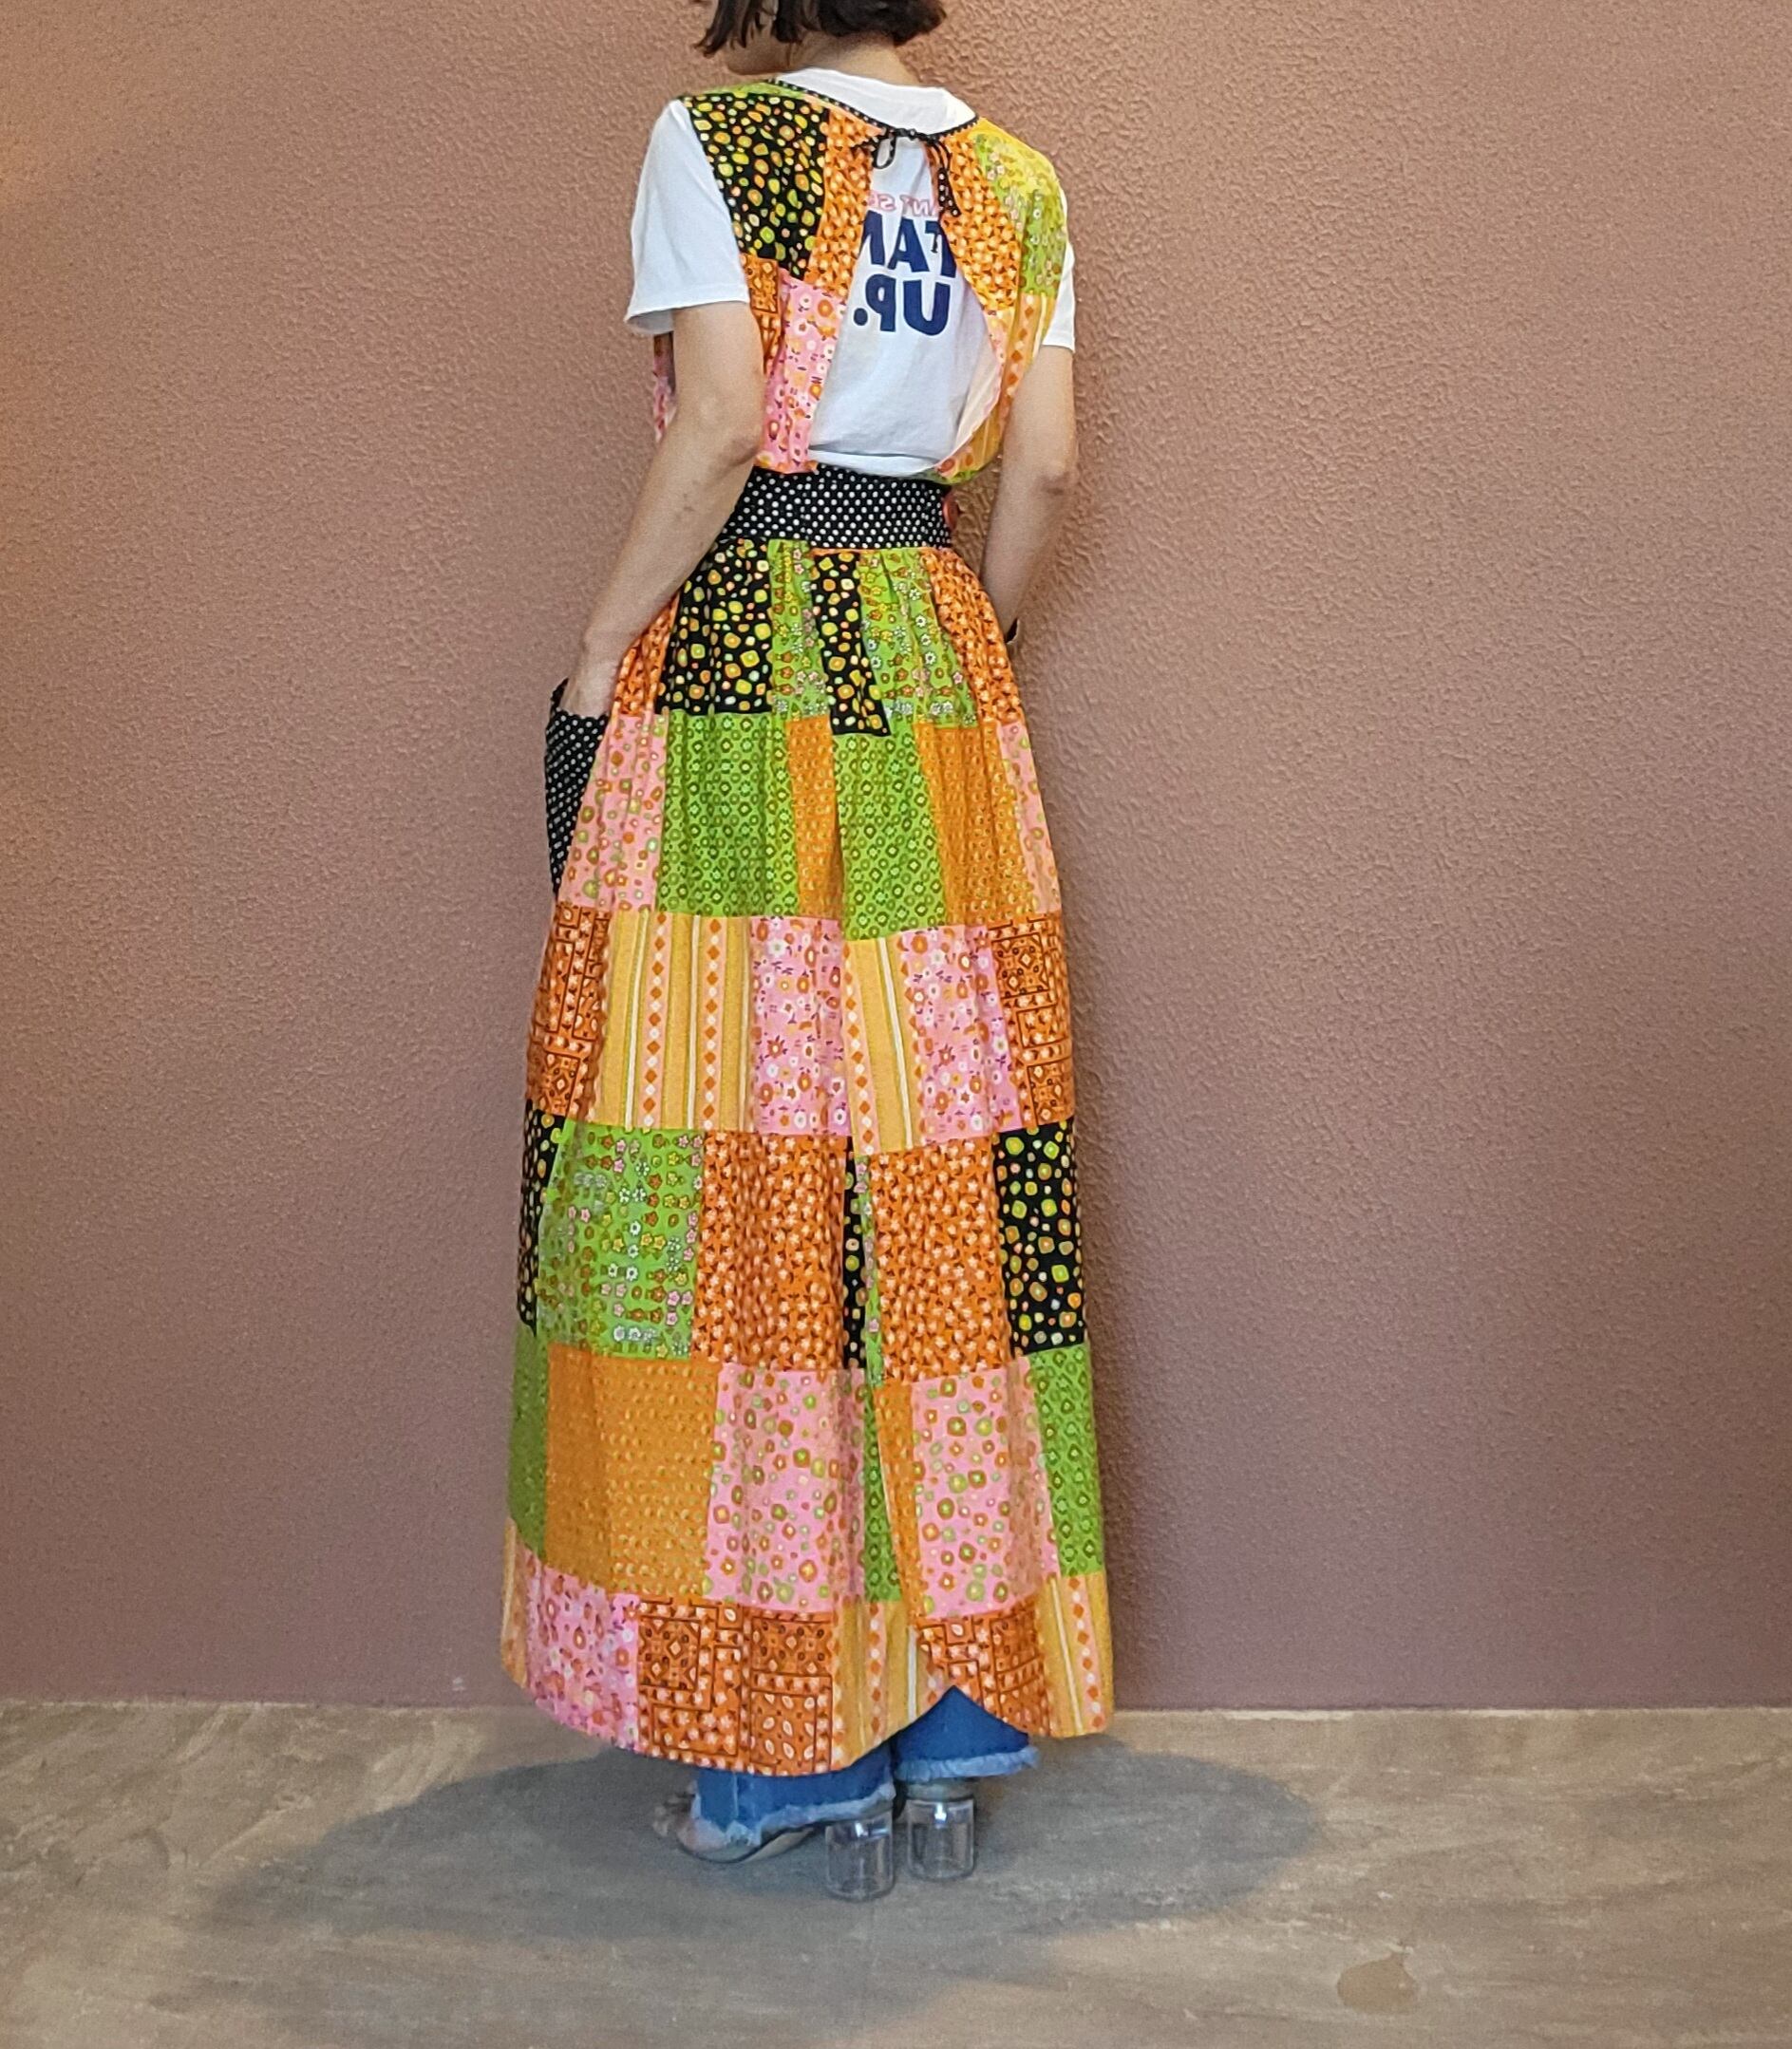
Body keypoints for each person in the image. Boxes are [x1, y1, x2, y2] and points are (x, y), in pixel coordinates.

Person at [501, 0, 1113, 1897]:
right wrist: (959, 632)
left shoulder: (716, 145)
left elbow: (714, 424)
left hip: (743, 667)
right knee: (948, 1166)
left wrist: (598, 646)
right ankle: (957, 1731)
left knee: (735, 1174)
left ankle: (784, 1764)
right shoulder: (1020, 182)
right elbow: (1044, 468)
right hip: (938, 670)